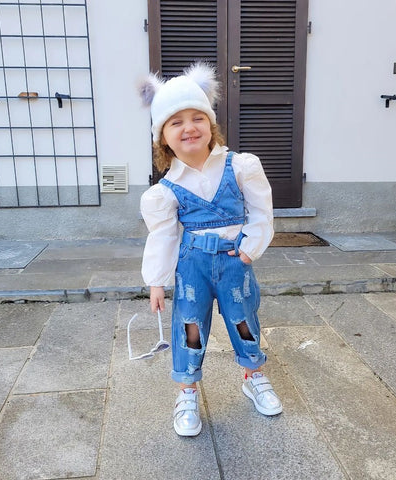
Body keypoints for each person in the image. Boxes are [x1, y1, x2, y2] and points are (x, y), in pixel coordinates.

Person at [138, 63, 282, 437]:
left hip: (235, 261)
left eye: (197, 117)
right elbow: (163, 236)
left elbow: (261, 211)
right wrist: (156, 282)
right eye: (176, 122)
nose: (189, 127)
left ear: (211, 124)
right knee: (190, 325)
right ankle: (187, 392)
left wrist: (250, 249)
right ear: (163, 138)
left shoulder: (240, 166)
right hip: (193, 267)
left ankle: (253, 376)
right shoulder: (165, 190)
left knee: (243, 319)